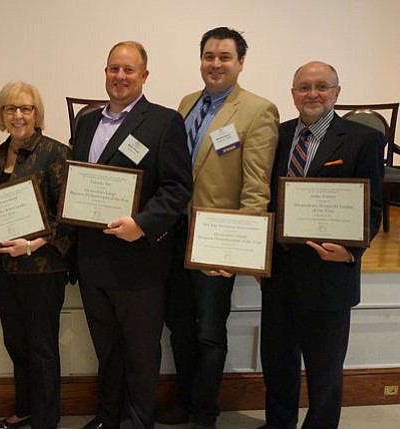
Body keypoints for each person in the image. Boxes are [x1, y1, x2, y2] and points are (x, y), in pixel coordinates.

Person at [159, 27, 280, 429]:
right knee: (179, 327)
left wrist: (240, 251)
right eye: (209, 56)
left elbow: (256, 186)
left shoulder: (258, 110)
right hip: (175, 235)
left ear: (241, 62)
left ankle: (204, 411)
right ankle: (183, 400)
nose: (215, 64)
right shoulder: (186, 103)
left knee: (209, 332)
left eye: (225, 57)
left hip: (217, 241)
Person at [256, 61, 383, 429]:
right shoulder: (275, 136)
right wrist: (255, 255)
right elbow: (262, 199)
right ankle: (278, 424)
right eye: (304, 87)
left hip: (329, 273)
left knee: (324, 370)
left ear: (337, 93)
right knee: (277, 362)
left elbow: (372, 208)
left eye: (322, 87)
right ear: (293, 93)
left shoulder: (363, 139)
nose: (313, 94)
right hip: (278, 273)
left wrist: (351, 252)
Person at [72, 41, 193, 429]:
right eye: (113, 69)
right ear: (105, 73)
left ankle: (139, 421)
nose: (119, 76)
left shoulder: (164, 121)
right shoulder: (87, 121)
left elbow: (177, 188)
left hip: (139, 261)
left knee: (141, 353)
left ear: (144, 75)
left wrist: (142, 223)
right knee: (106, 350)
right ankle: (108, 416)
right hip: (92, 260)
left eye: (128, 70)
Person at [0, 81, 74, 429]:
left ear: (37, 114)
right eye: (11, 108)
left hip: (41, 265)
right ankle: (25, 408)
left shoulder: (55, 152)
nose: (18, 115)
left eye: (26, 108)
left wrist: (33, 244)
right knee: (16, 343)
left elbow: (68, 212)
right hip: (3, 265)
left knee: (41, 348)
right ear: (2, 113)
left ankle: (46, 420)